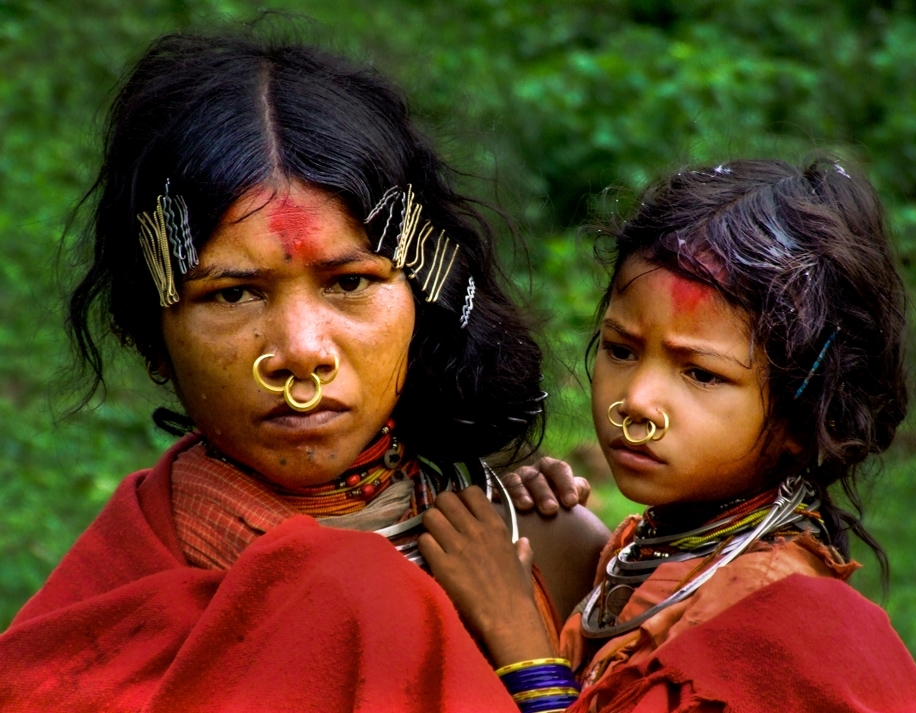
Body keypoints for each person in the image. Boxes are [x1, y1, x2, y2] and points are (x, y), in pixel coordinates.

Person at [0, 24, 609, 711]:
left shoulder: (546, 552)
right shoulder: (109, 605)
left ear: (424, 293)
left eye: (349, 282)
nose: (301, 350)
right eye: (232, 294)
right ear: (150, 334)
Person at [420, 157, 916, 712]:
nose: (637, 402)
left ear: (805, 417)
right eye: (621, 350)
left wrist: (520, 643)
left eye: (701, 373)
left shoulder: (782, 630)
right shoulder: (652, 553)